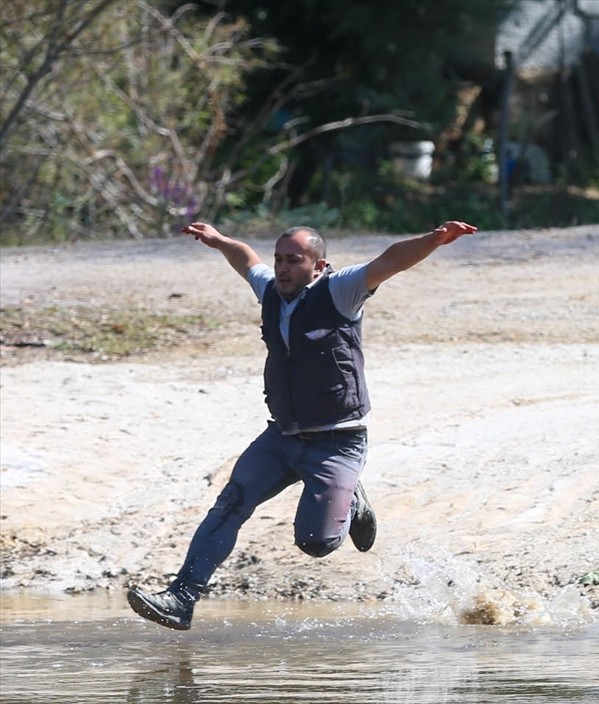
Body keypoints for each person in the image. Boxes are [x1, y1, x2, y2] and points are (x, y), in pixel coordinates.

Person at [126, 219, 478, 630]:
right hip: (281, 436)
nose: (282, 267)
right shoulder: (272, 291)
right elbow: (246, 260)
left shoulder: (341, 290)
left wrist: (433, 238)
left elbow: (391, 261)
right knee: (230, 504)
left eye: (293, 260)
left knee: (316, 543)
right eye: (280, 259)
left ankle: (353, 501)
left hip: (338, 442)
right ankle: (181, 598)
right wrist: (220, 240)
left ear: (319, 265)